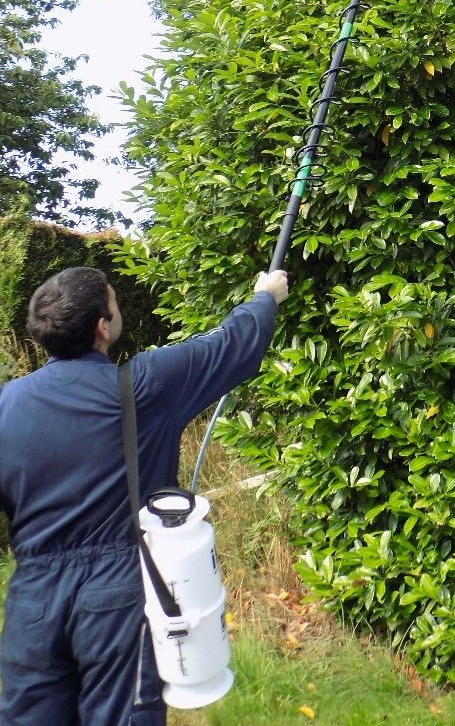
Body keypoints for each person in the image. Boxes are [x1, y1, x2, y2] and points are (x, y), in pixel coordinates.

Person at [0, 264, 289, 726]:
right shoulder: (144, 385)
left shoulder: (6, 405)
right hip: (117, 596)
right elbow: (231, 346)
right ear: (102, 325)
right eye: (114, 301)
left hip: (32, 601)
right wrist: (264, 297)